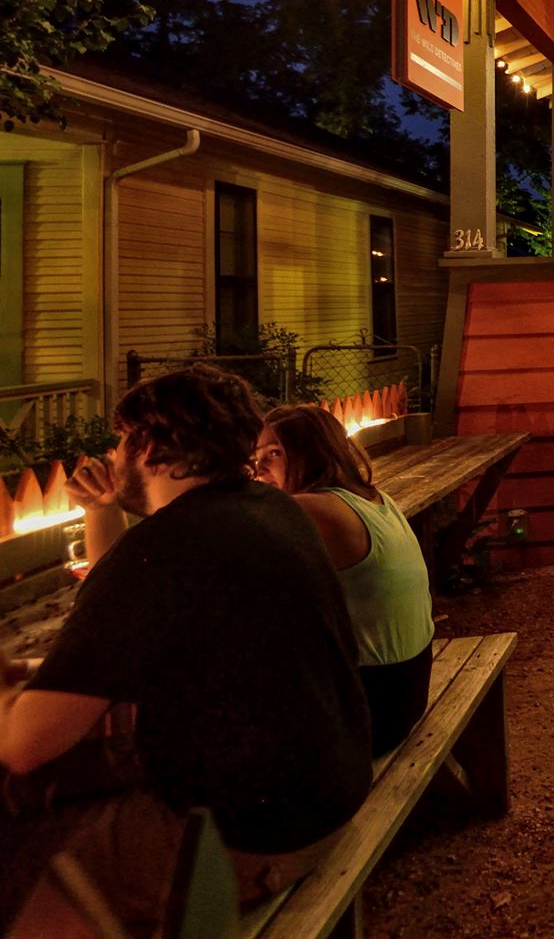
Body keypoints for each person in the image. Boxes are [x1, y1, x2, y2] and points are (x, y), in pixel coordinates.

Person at [0, 367, 370, 931]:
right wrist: (102, 513)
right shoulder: (270, 510)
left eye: (123, 440)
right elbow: (137, 623)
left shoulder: (163, 550)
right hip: (330, 795)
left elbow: (25, 744)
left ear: (149, 448)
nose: (117, 453)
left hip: (253, 839)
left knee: (37, 843)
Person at [252, 405, 434, 757]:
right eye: (256, 456)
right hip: (407, 687)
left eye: (274, 454)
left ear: (313, 452)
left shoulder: (314, 510)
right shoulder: (374, 498)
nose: (259, 469)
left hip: (373, 710)